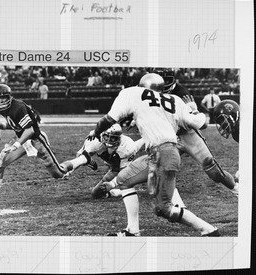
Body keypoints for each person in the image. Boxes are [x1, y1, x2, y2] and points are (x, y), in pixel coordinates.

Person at [87, 74, 220, 237]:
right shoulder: (175, 101)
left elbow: (108, 119)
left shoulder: (133, 93)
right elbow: (202, 123)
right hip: (161, 153)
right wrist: (196, 111)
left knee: (163, 208)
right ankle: (132, 230)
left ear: (142, 85)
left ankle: (207, 229)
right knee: (123, 179)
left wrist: (97, 131)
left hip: (163, 154)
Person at [0, 84, 67, 207]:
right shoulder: (6, 109)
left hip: (36, 140)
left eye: (3, 98)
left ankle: (83, 159)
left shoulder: (18, 107)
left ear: (9, 97)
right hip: (22, 139)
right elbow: (15, 124)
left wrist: (15, 145)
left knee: (58, 173)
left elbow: (30, 130)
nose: (0, 101)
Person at [213, 99, 240, 180]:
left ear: (233, 116)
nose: (221, 124)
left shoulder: (245, 128)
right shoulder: (235, 133)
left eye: (222, 121)